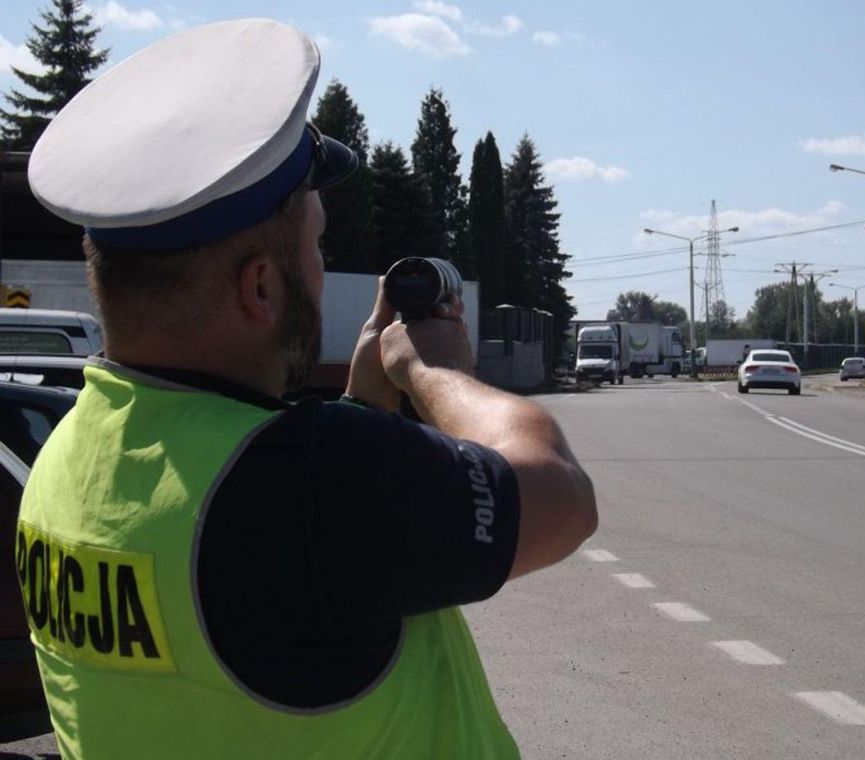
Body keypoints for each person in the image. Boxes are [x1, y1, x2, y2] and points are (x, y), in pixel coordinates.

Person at [15, 19, 596, 759]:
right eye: (316, 245)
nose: (320, 271)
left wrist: (363, 408)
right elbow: (560, 495)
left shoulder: (67, 453)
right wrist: (434, 372)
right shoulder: (311, 483)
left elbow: (278, 603)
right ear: (261, 286)